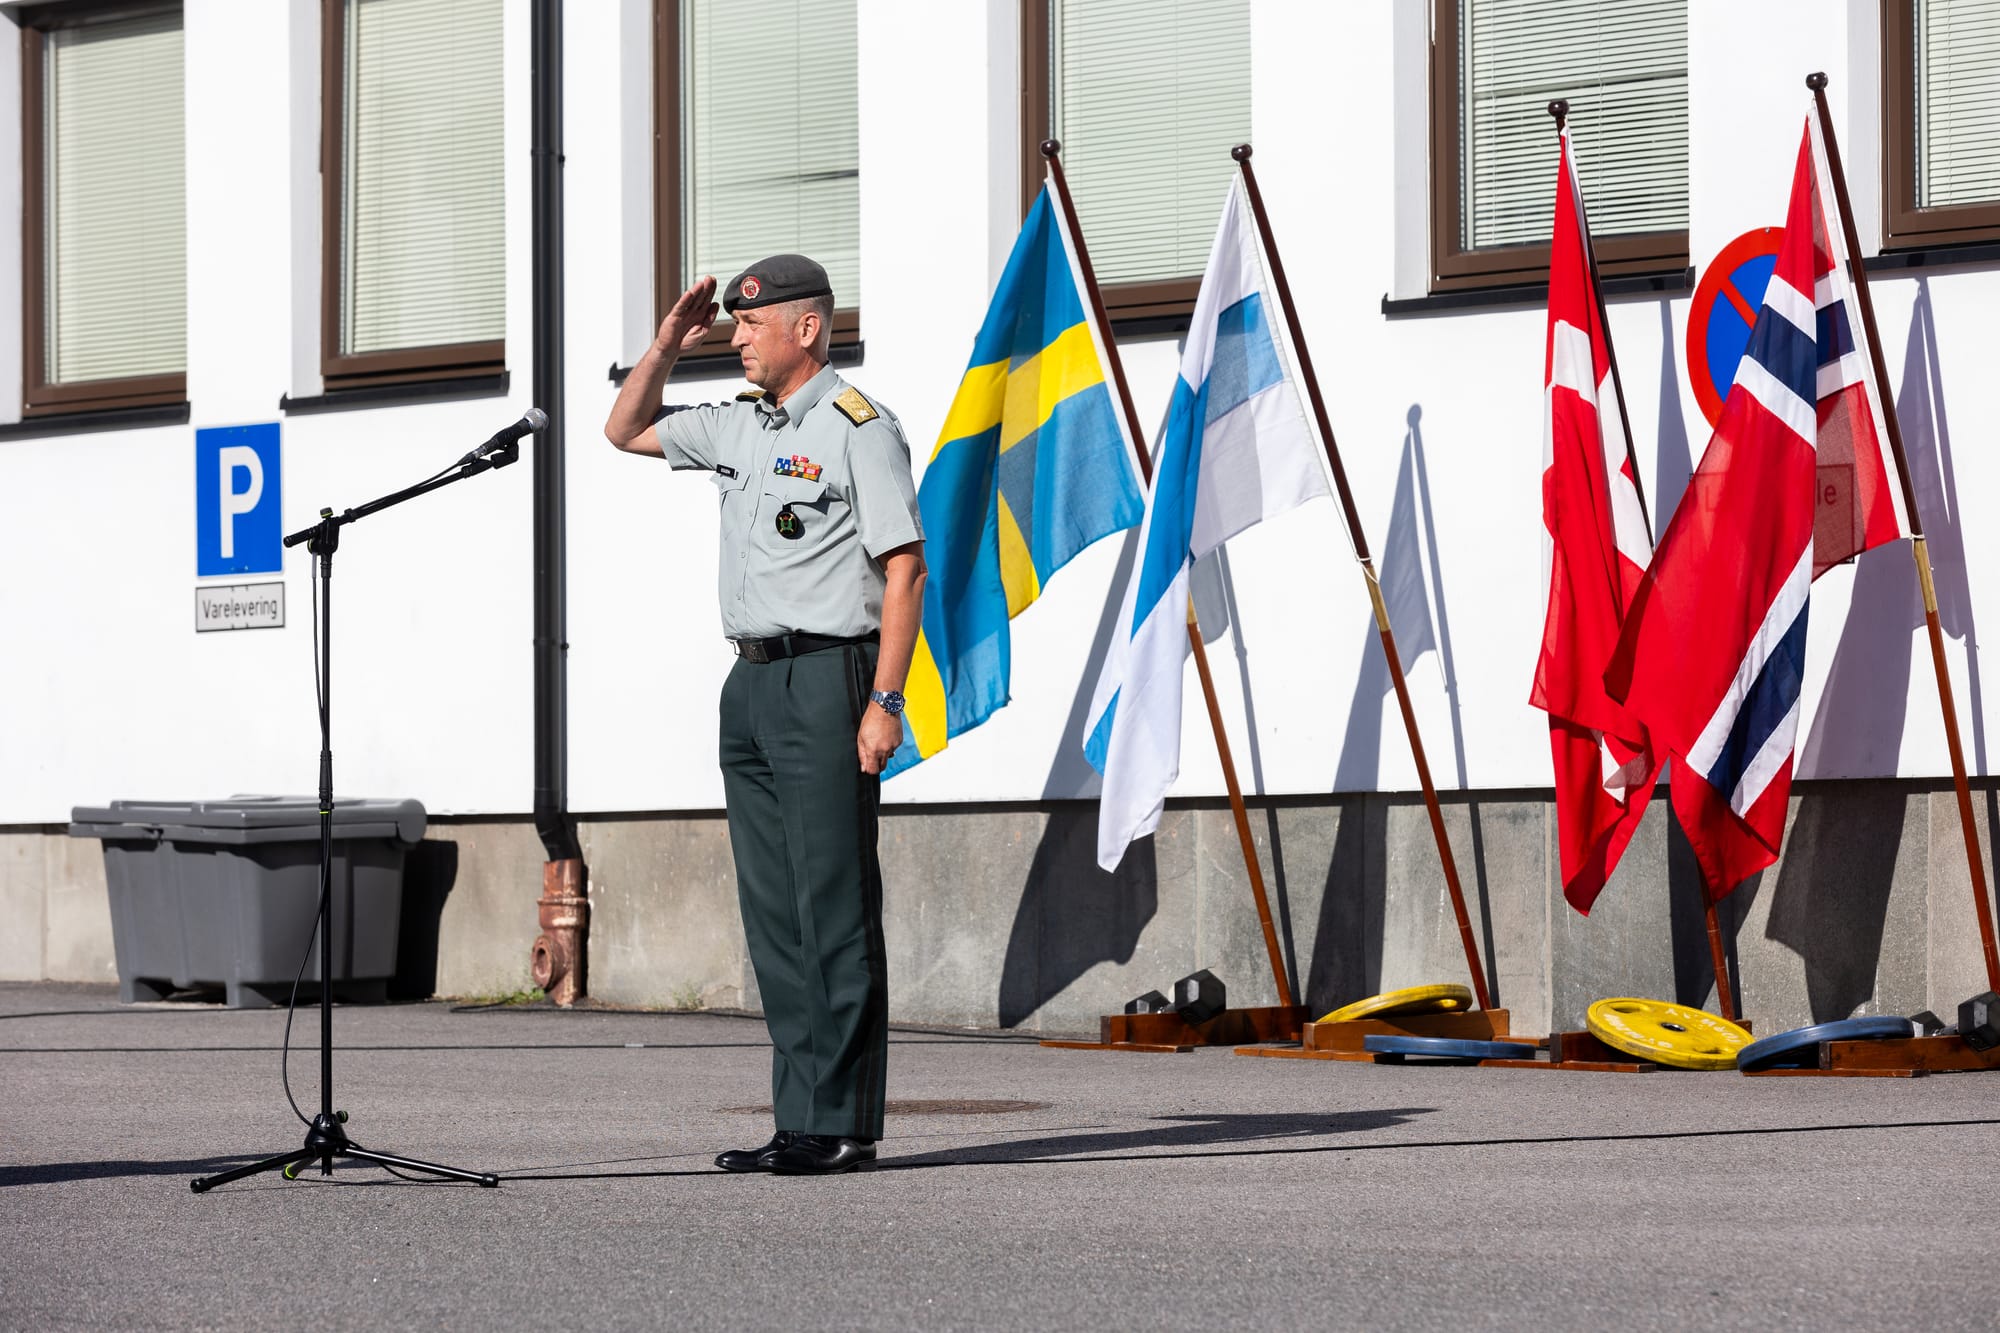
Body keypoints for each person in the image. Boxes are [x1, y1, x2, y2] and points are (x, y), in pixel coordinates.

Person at [604, 254, 925, 1176]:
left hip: (829, 676)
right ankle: (799, 1117)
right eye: (733, 325)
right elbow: (624, 429)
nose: (736, 337)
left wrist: (885, 702)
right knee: (774, 914)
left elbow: (904, 568)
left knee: (832, 904)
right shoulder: (740, 425)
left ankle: (846, 1122)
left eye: (752, 324)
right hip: (750, 682)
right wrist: (667, 343)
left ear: (808, 328)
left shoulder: (859, 427)